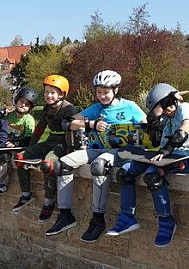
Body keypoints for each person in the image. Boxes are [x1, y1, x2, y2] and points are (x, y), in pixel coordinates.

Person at [46, 70, 146, 239]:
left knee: (99, 165)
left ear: (116, 90)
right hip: (98, 148)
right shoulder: (96, 108)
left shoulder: (129, 106)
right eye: (99, 92)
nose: (102, 96)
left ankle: (98, 220)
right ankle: (65, 215)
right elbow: (67, 123)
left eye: (106, 92)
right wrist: (91, 124)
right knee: (62, 164)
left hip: (121, 151)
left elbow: (146, 126)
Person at [106, 83, 189, 247]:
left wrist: (166, 150)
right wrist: (160, 110)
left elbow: (183, 130)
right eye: (163, 108)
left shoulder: (185, 108)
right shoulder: (166, 117)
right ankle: (127, 217)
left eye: (166, 107)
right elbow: (153, 127)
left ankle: (166, 221)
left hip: (186, 156)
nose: (165, 112)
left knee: (153, 175)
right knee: (124, 172)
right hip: (164, 154)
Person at [13, 75, 77, 221]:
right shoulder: (47, 108)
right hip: (50, 140)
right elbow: (40, 129)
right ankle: (25, 195)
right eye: (47, 92)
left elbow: (75, 131)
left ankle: (48, 202)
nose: (49, 95)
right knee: (20, 158)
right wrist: (29, 149)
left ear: (62, 94)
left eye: (53, 92)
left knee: (48, 165)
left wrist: (71, 151)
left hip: (63, 143)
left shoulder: (69, 109)